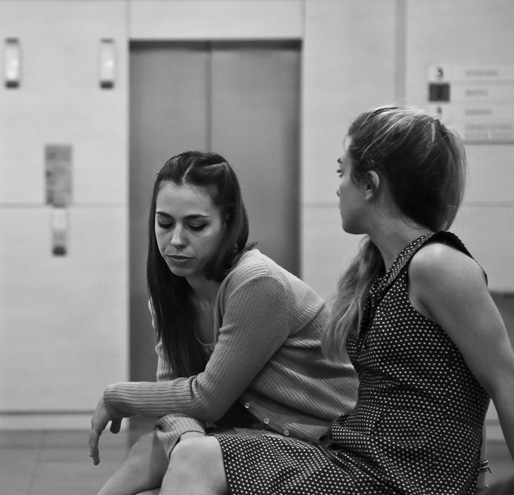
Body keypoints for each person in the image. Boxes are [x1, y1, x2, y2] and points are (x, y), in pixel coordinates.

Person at [155, 106, 514, 495]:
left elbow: (502, 380)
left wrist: (477, 477)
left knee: (198, 459)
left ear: (370, 184)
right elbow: (462, 383)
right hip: (362, 460)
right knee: (188, 454)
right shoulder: (382, 270)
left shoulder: (436, 263)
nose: (338, 188)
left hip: (400, 479)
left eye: (342, 173)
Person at [89, 151, 359, 495]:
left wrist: (118, 397)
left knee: (186, 460)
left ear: (228, 223)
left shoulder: (257, 283)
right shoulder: (170, 294)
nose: (176, 240)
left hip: (329, 445)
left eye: (196, 226)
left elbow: (207, 399)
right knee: (152, 450)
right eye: (165, 223)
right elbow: (174, 393)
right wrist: (187, 439)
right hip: (260, 434)